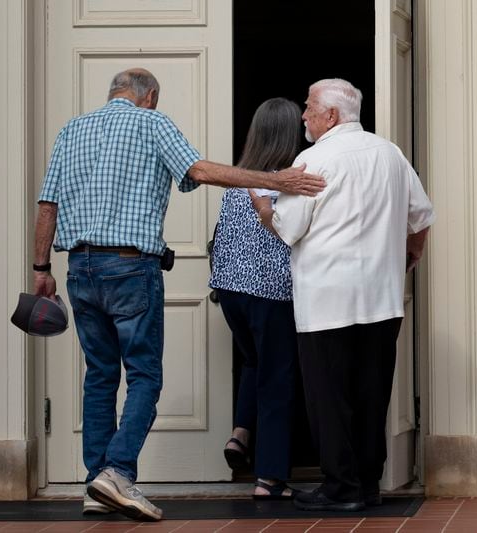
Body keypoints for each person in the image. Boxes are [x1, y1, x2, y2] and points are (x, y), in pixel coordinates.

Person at [33, 68, 324, 522]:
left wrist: (40, 270)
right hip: (131, 267)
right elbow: (200, 171)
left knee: (100, 376)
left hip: (79, 268)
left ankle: (96, 482)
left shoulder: (72, 129)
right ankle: (117, 473)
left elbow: (47, 205)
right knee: (144, 375)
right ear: (149, 97)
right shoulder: (153, 123)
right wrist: (278, 181)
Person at [251, 78, 435, 512]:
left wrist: (263, 206)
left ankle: (340, 488)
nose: (304, 115)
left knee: (329, 397)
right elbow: (421, 214)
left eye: (309, 106)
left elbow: (289, 227)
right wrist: (410, 256)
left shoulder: (314, 159)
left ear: (330, 116)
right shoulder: (390, 153)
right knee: (372, 394)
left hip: (327, 299)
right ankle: (367, 485)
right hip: (382, 298)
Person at [209, 98, 302, 500]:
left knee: (253, 362)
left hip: (231, 292)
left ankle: (239, 432)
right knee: (277, 378)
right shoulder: (289, 182)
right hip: (272, 291)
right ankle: (270, 476)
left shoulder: (236, 181)